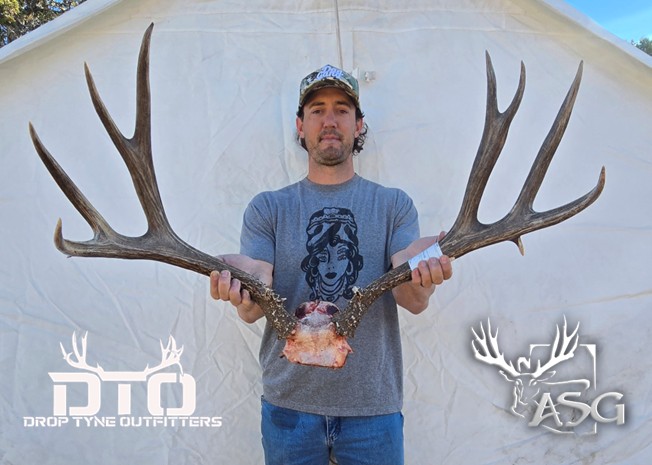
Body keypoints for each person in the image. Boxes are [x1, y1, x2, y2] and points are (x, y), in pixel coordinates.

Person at [210, 64, 453, 465]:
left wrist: (422, 268)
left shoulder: (393, 205)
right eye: (317, 110)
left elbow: (412, 297)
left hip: (372, 410)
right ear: (300, 125)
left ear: (358, 125)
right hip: (289, 408)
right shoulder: (268, 208)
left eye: (342, 109)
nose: (329, 120)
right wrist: (241, 280)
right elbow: (254, 298)